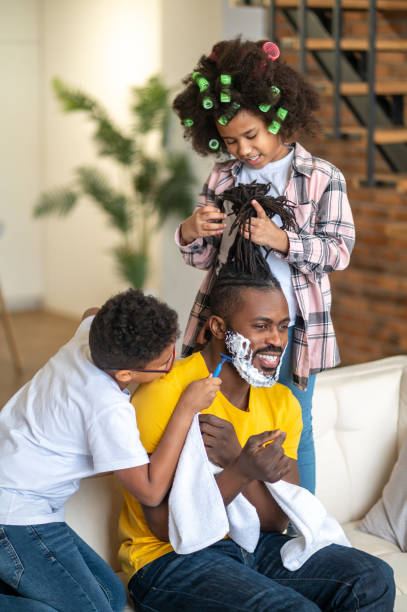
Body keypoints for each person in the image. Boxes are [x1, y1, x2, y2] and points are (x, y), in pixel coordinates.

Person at [118, 263, 395, 611]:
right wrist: (243, 471)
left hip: (250, 545)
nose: (277, 340)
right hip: (168, 562)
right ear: (218, 327)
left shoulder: (282, 403)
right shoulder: (165, 394)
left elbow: (276, 521)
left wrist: (237, 462)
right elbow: (164, 528)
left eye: (282, 326)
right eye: (261, 326)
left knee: (372, 578)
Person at [172, 37, 356, 494]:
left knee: (295, 426)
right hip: (229, 325)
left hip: (292, 328)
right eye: (230, 140)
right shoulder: (222, 176)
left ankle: (299, 526)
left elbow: (339, 251)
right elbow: (204, 261)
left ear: (278, 119)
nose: (243, 150)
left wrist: (283, 240)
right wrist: (192, 231)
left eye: (251, 136)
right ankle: (227, 519)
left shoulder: (321, 178)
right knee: (219, 418)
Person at [0, 288, 221, 612]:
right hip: (13, 513)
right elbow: (149, 490)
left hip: (24, 491)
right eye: (164, 363)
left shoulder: (91, 333)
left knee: (113, 596)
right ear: (125, 375)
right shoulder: (107, 408)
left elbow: (92, 309)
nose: (172, 364)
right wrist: (186, 408)